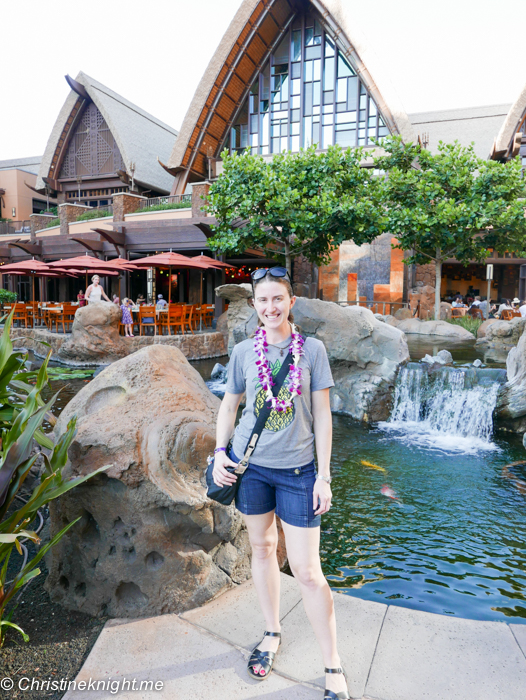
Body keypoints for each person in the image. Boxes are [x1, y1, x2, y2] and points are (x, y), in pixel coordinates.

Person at [212, 267, 349, 699]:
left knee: (309, 572)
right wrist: (219, 453)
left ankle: (332, 665)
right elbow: (228, 407)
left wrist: (323, 475)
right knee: (263, 548)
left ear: (291, 302)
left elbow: (323, 415)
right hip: (250, 469)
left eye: (278, 299)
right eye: (262, 300)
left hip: (299, 472)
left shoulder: (312, 350)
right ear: (254, 305)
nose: (270, 307)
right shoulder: (241, 353)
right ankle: (271, 633)